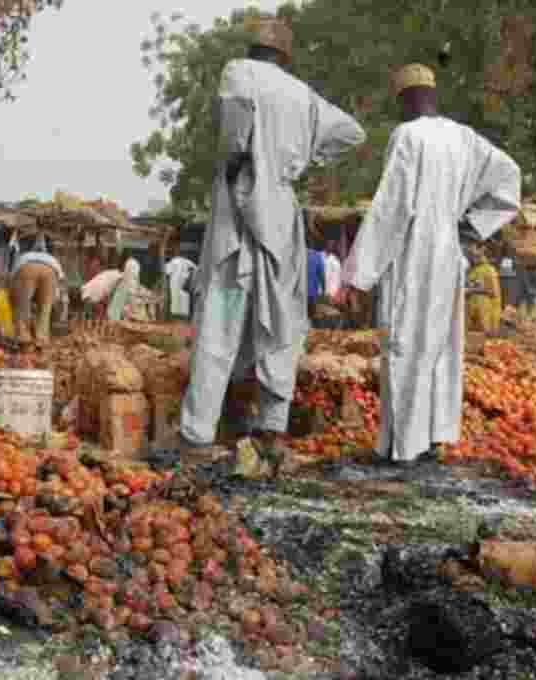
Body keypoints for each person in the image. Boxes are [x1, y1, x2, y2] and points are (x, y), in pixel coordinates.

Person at [178, 16, 365, 468]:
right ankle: (272, 429)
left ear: (252, 48)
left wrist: (243, 157)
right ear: (285, 55)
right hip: (279, 208)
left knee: (220, 318)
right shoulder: (303, 95)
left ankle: (198, 433)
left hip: (238, 201)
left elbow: (237, 127)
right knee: (280, 320)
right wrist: (301, 160)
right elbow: (352, 133)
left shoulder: (238, 71)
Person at [340, 63, 521, 466]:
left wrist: (359, 276)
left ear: (404, 99)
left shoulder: (407, 135)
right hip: (449, 254)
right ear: (432, 95)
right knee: (440, 347)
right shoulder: (464, 137)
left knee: (406, 346)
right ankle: (435, 438)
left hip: (414, 255)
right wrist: (472, 225)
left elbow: (392, 207)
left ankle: (402, 447)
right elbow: (510, 178)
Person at [11, 238, 64, 344]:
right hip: (51, 271)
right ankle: (41, 339)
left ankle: (24, 336)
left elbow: (12, 281)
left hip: (26, 268)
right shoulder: (52, 258)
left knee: (23, 305)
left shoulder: (23, 257)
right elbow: (60, 282)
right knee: (45, 307)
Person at [465, 244, 502, 334]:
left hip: (484, 312)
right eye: (470, 255)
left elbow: (493, 291)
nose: (473, 258)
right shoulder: (470, 270)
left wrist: (472, 290)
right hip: (471, 312)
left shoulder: (489, 270)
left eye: (476, 256)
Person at [164, 251, 197, 321]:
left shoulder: (173, 261)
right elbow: (196, 269)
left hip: (174, 281)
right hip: (184, 282)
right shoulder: (188, 261)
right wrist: (189, 275)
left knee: (174, 297)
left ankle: (175, 315)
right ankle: (184, 314)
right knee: (184, 297)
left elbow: (166, 272)